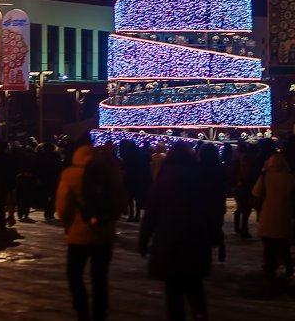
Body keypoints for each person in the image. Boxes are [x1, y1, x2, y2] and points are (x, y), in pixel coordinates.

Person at [139, 142, 217, 321]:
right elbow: (208, 210)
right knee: (194, 285)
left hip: (169, 243)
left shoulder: (163, 179)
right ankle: (200, 313)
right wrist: (213, 236)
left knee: (173, 292)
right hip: (195, 241)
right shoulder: (198, 177)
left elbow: (151, 213)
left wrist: (144, 240)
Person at [56, 135, 125, 321]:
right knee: (100, 277)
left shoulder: (70, 174)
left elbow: (62, 207)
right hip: (104, 233)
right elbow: (119, 200)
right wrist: (110, 220)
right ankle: (100, 313)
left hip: (79, 235)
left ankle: (82, 310)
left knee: (75, 274)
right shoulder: (108, 172)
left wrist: (68, 226)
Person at [252, 147, 295, 280]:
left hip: (267, 213)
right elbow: (293, 195)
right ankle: (288, 265)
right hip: (284, 213)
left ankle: (270, 266)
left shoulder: (265, 177)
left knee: (268, 244)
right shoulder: (290, 178)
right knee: (283, 244)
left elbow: (255, 193)